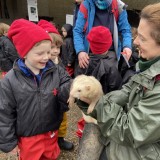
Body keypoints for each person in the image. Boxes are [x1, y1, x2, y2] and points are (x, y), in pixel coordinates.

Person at [76, 2, 160, 159]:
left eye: (142, 38)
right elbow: (126, 92)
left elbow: (131, 131)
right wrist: (94, 99)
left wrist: (99, 105)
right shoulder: (149, 67)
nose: (134, 42)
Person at [0, 19, 72, 160]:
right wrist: (9, 143)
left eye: (48, 51)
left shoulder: (56, 70)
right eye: (40, 53)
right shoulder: (10, 81)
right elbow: (4, 114)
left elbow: (66, 84)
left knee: (51, 156)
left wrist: (74, 88)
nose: (46, 57)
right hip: (28, 138)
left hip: (51, 131)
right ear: (24, 53)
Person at [38, 19, 74, 151]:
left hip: (60, 100)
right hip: (48, 102)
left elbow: (65, 78)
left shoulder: (59, 61)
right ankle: (49, 142)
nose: (55, 51)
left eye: (58, 47)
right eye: (52, 47)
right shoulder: (41, 64)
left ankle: (60, 139)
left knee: (63, 121)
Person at [73, 0, 132, 76]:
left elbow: (125, 30)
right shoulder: (86, 4)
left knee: (111, 80)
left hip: (110, 53)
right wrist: (80, 50)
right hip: (89, 53)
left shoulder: (118, 5)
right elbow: (78, 31)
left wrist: (127, 46)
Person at [85, 26, 122, 93]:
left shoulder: (83, 61)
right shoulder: (112, 66)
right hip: (105, 101)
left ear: (90, 44)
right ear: (109, 43)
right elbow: (116, 90)